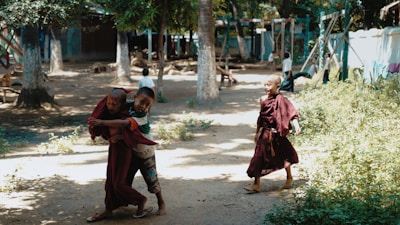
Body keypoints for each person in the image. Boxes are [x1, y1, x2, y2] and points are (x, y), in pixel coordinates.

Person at [88, 87, 166, 218]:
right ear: (134, 98)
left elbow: (123, 124)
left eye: (147, 105)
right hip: (132, 152)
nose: (142, 106)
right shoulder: (128, 106)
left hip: (145, 153)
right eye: (141, 102)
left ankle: (161, 202)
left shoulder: (141, 117)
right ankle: (116, 205)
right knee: (123, 181)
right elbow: (114, 101)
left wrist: (102, 122)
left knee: (152, 180)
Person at [244, 75, 301, 193]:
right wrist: (257, 133)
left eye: (269, 84)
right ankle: (256, 184)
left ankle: (289, 177)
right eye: (265, 84)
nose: (266, 87)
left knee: (285, 155)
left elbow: (291, 114)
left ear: (278, 86)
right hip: (265, 134)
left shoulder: (282, 100)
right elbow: (261, 117)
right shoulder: (263, 99)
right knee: (258, 158)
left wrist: (297, 126)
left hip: (278, 135)